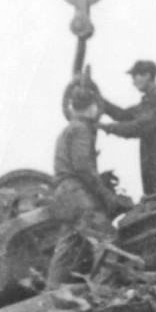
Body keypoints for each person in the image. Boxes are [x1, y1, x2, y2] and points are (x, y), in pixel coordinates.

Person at [47, 87, 127, 288]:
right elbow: (83, 167)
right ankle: (104, 291)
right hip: (78, 194)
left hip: (64, 196)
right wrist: (106, 195)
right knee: (108, 239)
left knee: (67, 249)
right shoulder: (81, 129)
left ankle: (51, 293)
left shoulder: (68, 130)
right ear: (91, 107)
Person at [98, 60, 156, 196]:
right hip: (155, 170)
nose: (133, 82)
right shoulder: (150, 102)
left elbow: (139, 127)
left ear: (146, 75)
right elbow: (124, 115)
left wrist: (106, 127)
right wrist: (100, 101)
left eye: (135, 77)